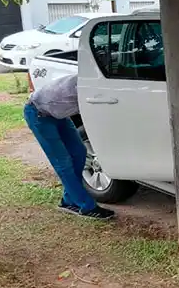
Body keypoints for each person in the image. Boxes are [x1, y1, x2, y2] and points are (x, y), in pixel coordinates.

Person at [24, 74, 115, 220]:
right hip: (38, 114)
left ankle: (68, 201)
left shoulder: (92, 83)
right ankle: (87, 207)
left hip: (57, 114)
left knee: (79, 152)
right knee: (63, 163)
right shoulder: (86, 90)